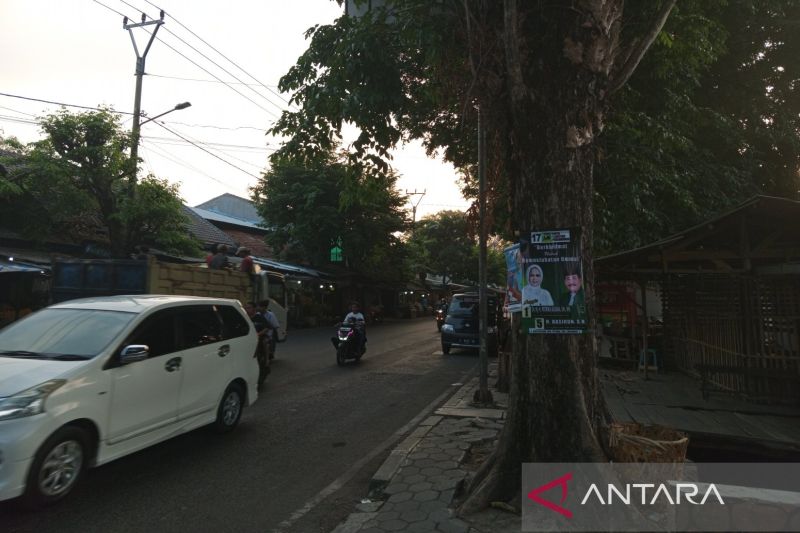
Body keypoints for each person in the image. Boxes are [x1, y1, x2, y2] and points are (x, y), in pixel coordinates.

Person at [245, 302, 270, 388]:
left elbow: (267, 328)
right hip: (249, 339)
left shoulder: (259, 317)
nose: (247, 310)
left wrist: (258, 334)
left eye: (249, 308)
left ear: (254, 309)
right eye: (246, 308)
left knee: (265, 342)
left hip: (260, 337)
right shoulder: (245, 317)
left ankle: (267, 360)